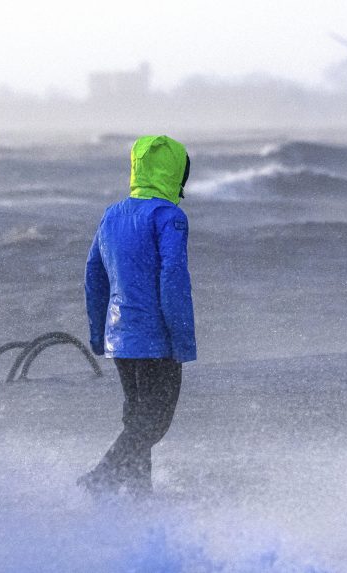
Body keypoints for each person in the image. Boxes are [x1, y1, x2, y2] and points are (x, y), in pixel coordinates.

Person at [79, 135, 196, 498]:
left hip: (121, 339)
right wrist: (181, 340)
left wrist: (100, 334)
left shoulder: (112, 215)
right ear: (175, 172)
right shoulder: (168, 217)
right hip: (155, 339)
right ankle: (101, 476)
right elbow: (172, 277)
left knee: (137, 421)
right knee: (154, 422)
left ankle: (138, 499)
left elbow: (93, 275)